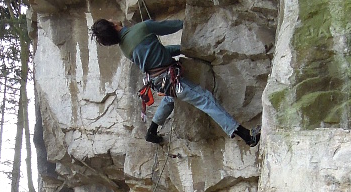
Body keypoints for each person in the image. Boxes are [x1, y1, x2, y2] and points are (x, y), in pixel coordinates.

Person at [91, 17, 260, 146]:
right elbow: (173, 26)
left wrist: (182, 50)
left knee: (170, 98)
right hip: (171, 79)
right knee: (206, 99)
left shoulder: (125, 49)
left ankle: (152, 131)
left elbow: (159, 53)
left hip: (159, 81)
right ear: (113, 25)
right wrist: (192, 21)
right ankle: (247, 136)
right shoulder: (142, 28)